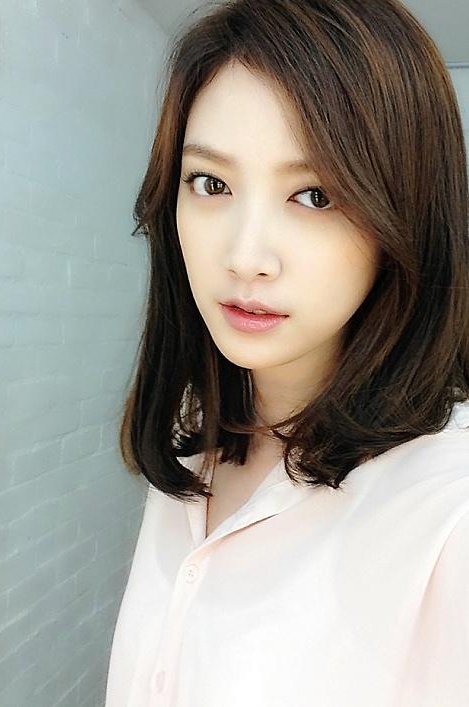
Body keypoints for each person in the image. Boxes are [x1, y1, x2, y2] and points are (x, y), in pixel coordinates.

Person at [105, 1, 469, 705]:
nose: (245, 256)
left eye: (315, 195)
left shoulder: (448, 509)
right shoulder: (197, 432)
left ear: (407, 214)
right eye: (211, 184)